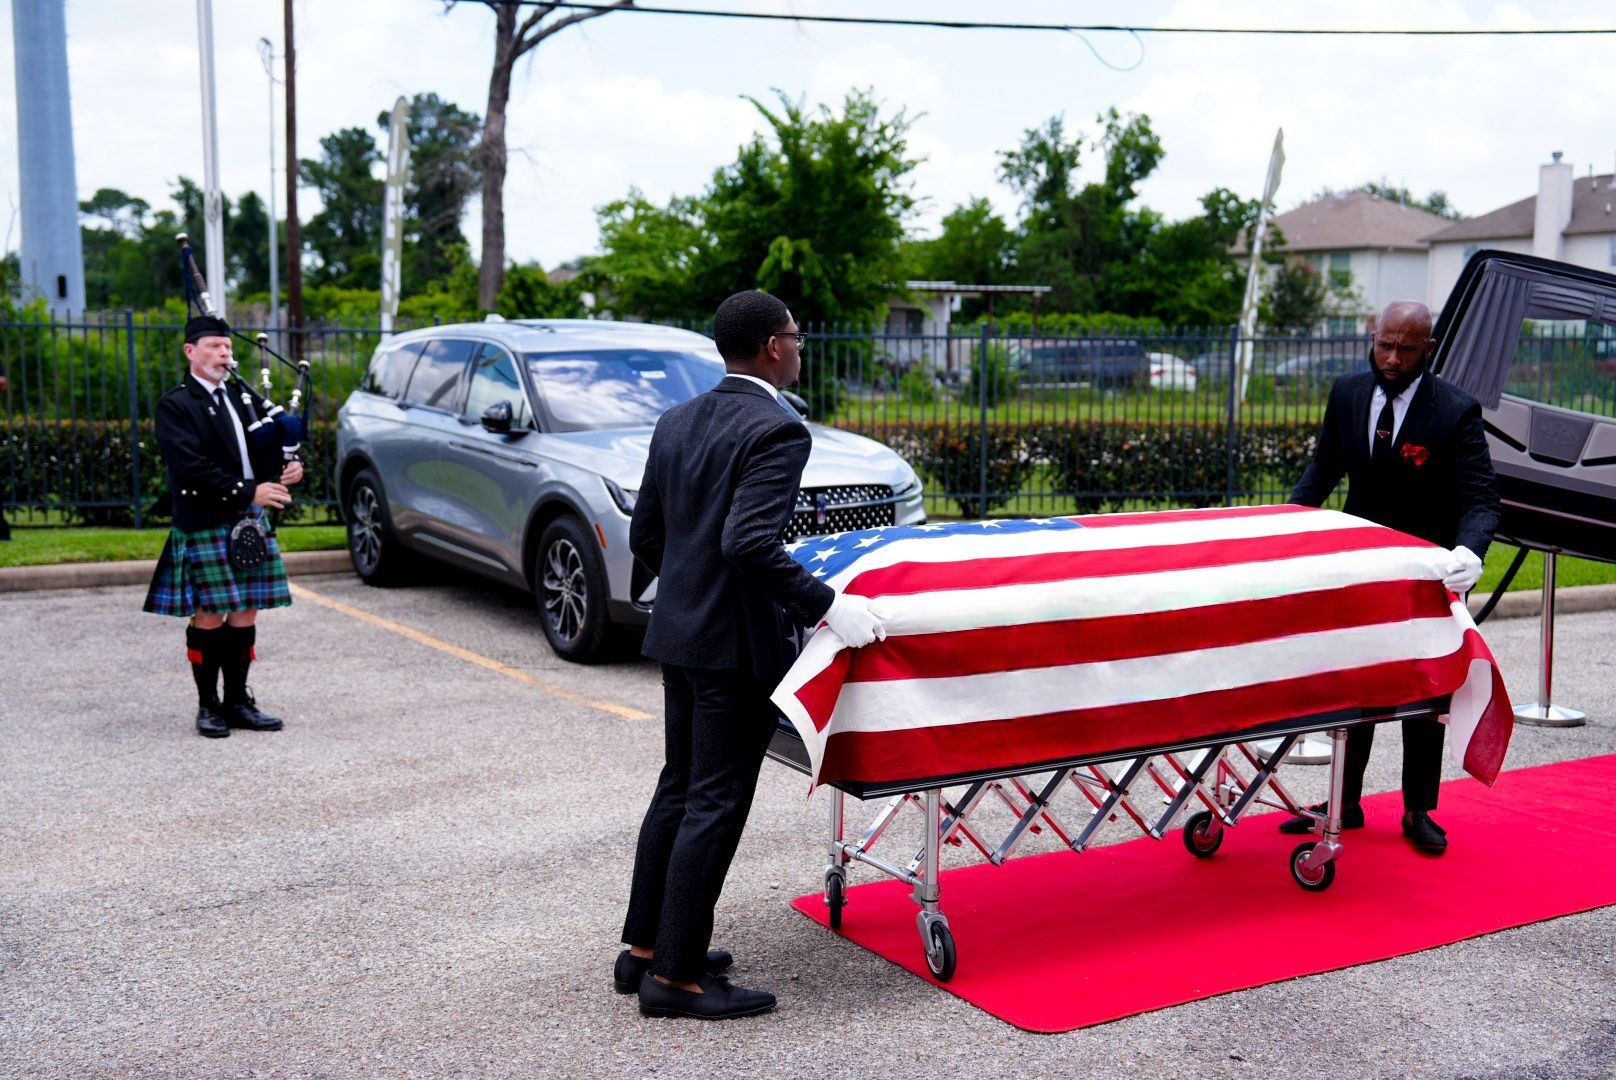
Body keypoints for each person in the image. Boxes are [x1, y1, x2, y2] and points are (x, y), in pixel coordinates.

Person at [618, 290, 889, 1020]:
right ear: (773, 347)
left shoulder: (678, 420)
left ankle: (646, 947)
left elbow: (649, 534)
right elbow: (748, 544)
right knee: (713, 801)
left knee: (679, 788)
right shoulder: (776, 428)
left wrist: (691, 589)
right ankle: (673, 978)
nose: (800, 347)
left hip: (679, 632)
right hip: (733, 646)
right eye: (795, 337)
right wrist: (830, 607)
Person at [1279, 299, 1500, 854]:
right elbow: (1324, 468)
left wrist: (1469, 551)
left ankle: (1418, 810)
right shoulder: (1348, 392)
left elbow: (1480, 500)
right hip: (1358, 565)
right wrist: (1285, 527)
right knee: (1354, 685)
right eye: (1385, 345)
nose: (1393, 358)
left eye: (1406, 348)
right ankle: (1342, 804)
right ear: (1372, 339)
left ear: (1429, 349)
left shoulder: (1455, 411)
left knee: (1423, 690)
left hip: (1425, 572)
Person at [143, 315, 303, 738]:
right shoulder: (176, 405)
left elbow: (260, 452)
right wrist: (248, 492)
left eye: (227, 347)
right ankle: (208, 705)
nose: (224, 353)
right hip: (208, 519)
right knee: (210, 613)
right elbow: (189, 467)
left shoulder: (239, 397)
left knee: (246, 610)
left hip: (248, 519)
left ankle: (238, 701)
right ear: (190, 351)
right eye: (214, 346)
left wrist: (288, 467)